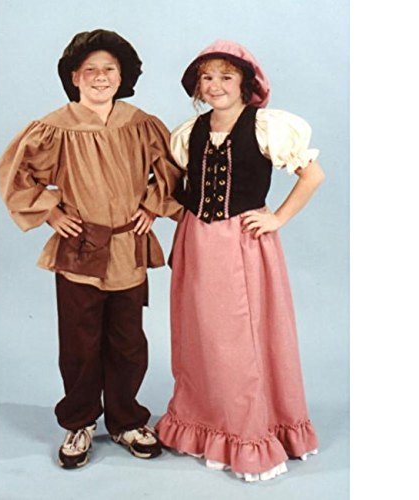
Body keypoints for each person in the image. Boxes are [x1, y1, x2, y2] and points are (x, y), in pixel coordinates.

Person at [0, 29, 183, 469]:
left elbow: (172, 172)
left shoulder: (141, 124)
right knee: (80, 343)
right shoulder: (55, 128)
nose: (100, 77)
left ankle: (125, 420)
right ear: (74, 77)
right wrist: (51, 212)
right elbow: (17, 175)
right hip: (80, 247)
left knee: (128, 341)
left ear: (123, 76)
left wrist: (151, 207)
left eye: (109, 69)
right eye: (90, 70)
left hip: (127, 246)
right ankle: (79, 422)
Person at [156, 40, 325, 482]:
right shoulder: (189, 132)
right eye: (207, 78)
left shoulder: (266, 127)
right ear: (197, 86)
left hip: (243, 243)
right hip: (197, 241)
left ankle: (249, 433)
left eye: (226, 77)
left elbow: (313, 175)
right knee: (200, 334)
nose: (215, 85)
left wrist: (277, 218)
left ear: (245, 84)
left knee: (242, 338)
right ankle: (204, 424)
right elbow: (178, 189)